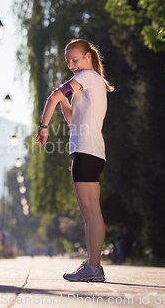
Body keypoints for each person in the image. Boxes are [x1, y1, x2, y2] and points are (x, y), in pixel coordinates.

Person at [36, 39, 114, 282]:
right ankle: (93, 266)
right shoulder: (88, 84)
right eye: (68, 61)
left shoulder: (89, 77)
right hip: (85, 151)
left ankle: (94, 267)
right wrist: (63, 100)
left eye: (75, 59)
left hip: (87, 151)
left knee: (91, 212)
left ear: (89, 56)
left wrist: (43, 126)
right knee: (89, 212)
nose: (71, 65)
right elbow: (72, 118)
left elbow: (52, 97)